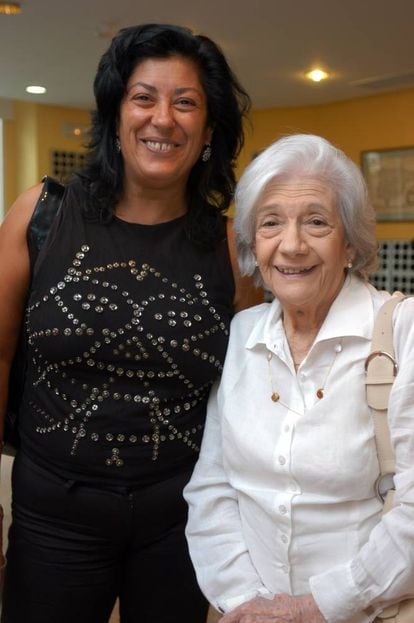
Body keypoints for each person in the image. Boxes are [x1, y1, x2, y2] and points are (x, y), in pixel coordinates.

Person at [0, 23, 263, 623]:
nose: (162, 119)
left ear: (209, 132)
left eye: (186, 102)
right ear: (115, 116)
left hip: (183, 520)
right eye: (143, 97)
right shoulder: (43, 214)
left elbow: (250, 395)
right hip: (50, 515)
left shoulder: (231, 248)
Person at [184, 134, 414, 623]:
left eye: (316, 221)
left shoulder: (402, 332)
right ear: (252, 244)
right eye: (271, 223)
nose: (291, 245)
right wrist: (246, 602)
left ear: (350, 241)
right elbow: (213, 487)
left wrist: (317, 607)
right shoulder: (241, 335)